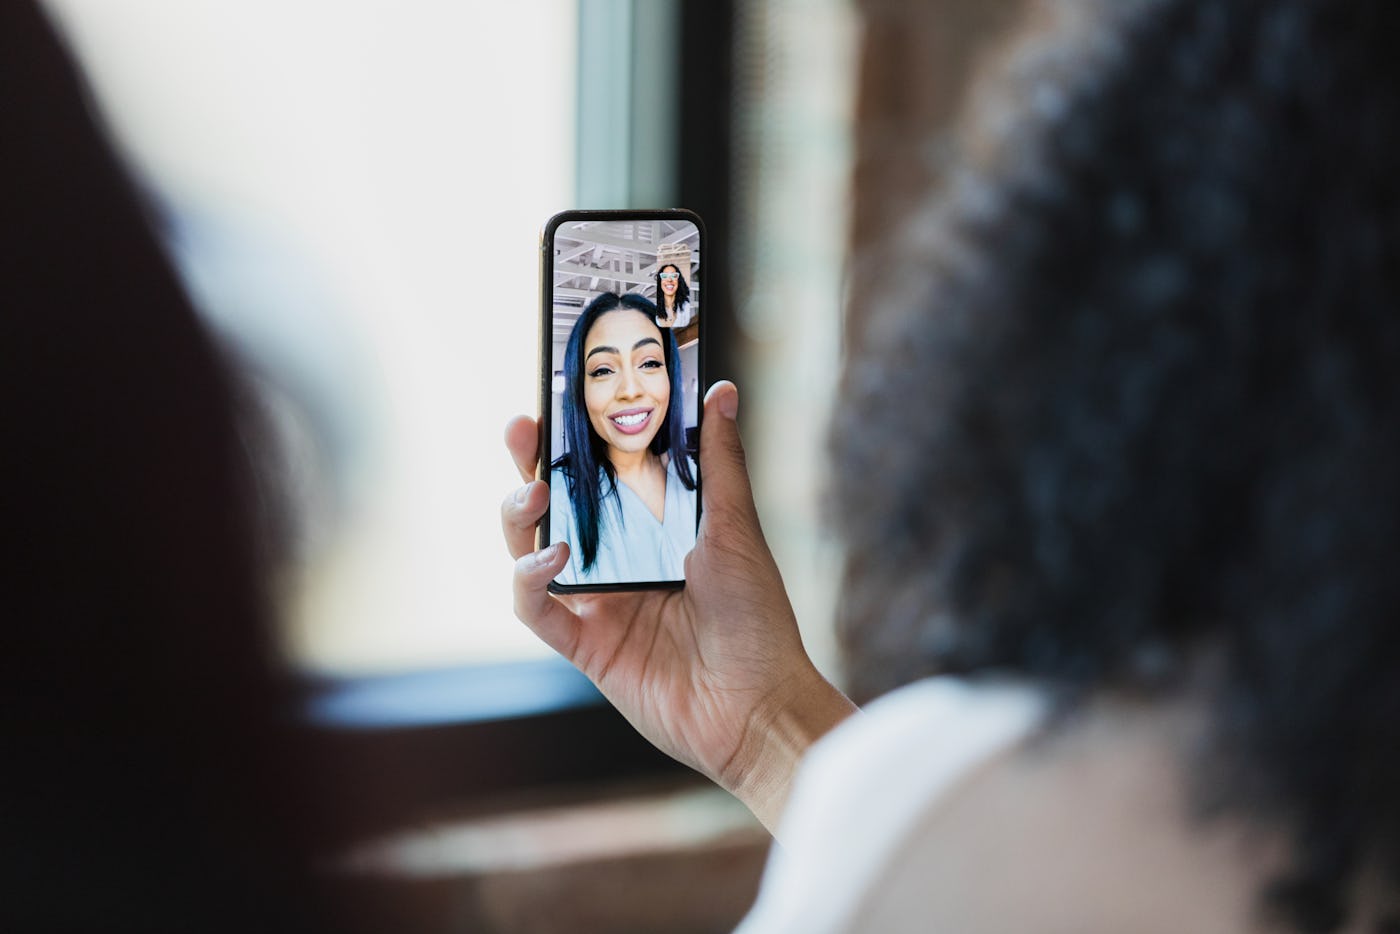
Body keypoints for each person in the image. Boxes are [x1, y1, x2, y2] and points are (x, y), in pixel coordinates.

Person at [505, 0, 1400, 931]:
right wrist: (765, 724)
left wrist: (842, 774)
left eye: (648, 359)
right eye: (604, 367)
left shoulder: (1001, 806)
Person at [550, 291, 698, 586]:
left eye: (650, 364)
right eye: (603, 370)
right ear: (580, 388)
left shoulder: (694, 478)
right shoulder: (559, 498)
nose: (630, 389)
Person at [654, 262, 694, 328]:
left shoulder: (687, 307)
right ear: (660, 282)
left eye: (674, 276)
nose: (669, 280)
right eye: (664, 276)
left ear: (678, 281)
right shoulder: (654, 308)